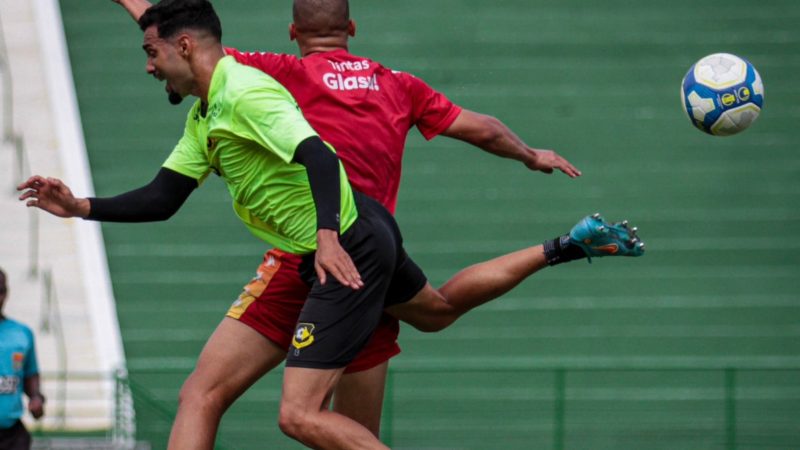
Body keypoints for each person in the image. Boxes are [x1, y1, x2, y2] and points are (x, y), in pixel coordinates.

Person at [24, 1, 644, 448]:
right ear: (351, 28)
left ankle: (563, 246)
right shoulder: (395, 83)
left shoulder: (266, 78)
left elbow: (312, 150)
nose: (148, 66)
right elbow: (477, 126)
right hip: (368, 237)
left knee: (267, 410)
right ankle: (563, 247)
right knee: (433, 314)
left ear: (294, 33)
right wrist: (531, 154)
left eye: (152, 54)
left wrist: (324, 237)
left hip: (330, 250)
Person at [0, 269, 45, 450]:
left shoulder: (21, 334)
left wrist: (36, 397)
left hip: (11, 435)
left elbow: (30, 373)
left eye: (1, 291)